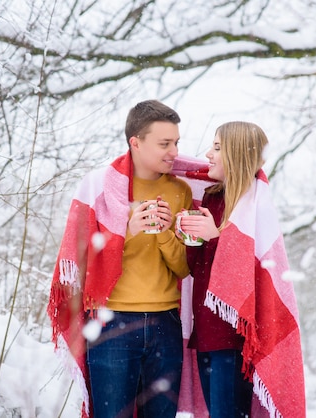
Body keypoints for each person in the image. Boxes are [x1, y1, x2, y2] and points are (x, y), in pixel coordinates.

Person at [47, 100, 193, 418]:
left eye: (177, 142)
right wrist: (125, 233)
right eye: (164, 143)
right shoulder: (98, 187)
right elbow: (79, 263)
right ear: (136, 143)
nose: (173, 151)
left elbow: (183, 267)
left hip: (164, 324)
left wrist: (166, 231)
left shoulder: (180, 190)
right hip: (111, 322)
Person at [176, 121, 306, 418]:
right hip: (206, 331)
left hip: (237, 341)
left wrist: (217, 236)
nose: (208, 154)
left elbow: (252, 273)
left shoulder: (255, 204)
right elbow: (198, 269)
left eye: (218, 148)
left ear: (236, 155)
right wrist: (190, 237)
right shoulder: (212, 198)